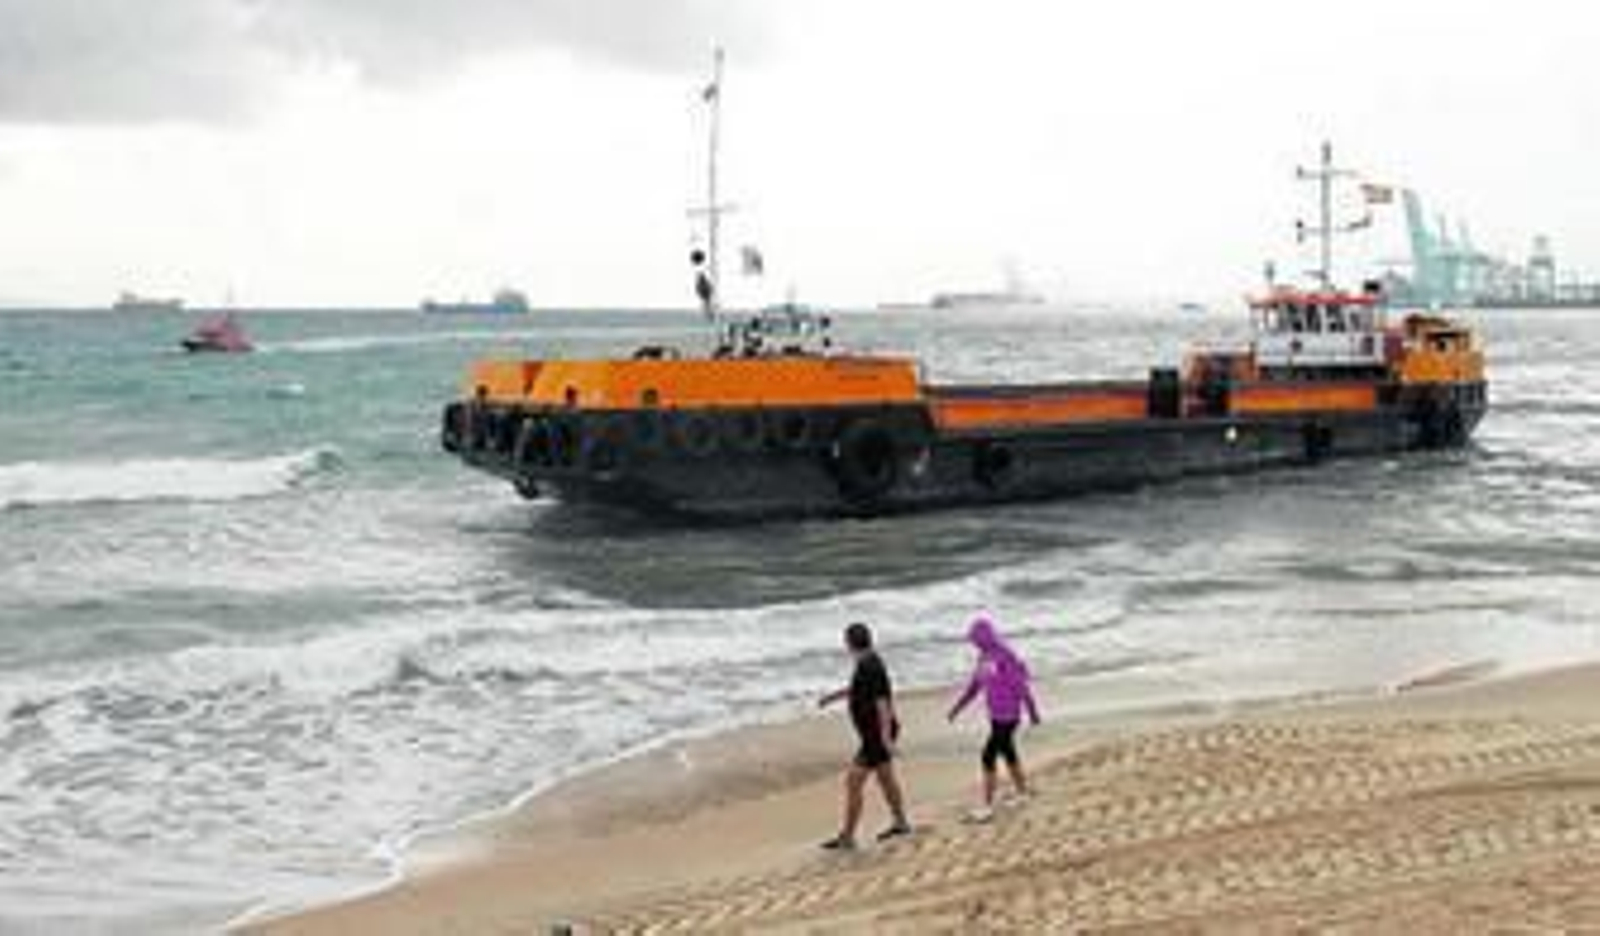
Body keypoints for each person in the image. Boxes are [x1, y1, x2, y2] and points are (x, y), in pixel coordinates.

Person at [817, 622, 911, 850]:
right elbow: (859, 690)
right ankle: (900, 823)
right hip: (874, 735)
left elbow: (883, 704)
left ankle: (847, 836)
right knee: (886, 779)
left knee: (853, 781)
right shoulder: (866, 662)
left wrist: (886, 739)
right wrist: (833, 697)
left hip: (876, 736)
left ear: (849, 642)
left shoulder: (871, 666)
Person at [947, 613, 1040, 823]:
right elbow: (975, 686)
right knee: (1008, 751)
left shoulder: (1005, 654)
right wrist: (957, 708)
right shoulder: (984, 657)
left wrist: (1032, 710)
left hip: (1010, 715)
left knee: (988, 755)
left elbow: (1021, 685)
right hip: (995, 715)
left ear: (985, 637)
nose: (975, 644)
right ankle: (1022, 791)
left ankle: (987, 805)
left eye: (976, 640)